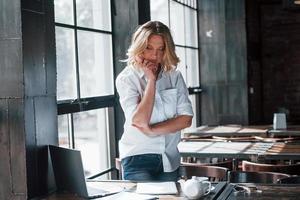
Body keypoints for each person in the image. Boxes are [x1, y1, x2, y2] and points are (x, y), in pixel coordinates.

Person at [116, 21, 193, 181]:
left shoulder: (174, 76)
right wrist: (151, 81)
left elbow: (185, 119)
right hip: (137, 158)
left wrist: (151, 130)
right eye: (149, 48)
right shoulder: (127, 79)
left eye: (161, 49)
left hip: (169, 160)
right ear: (139, 47)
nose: (154, 55)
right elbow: (139, 121)